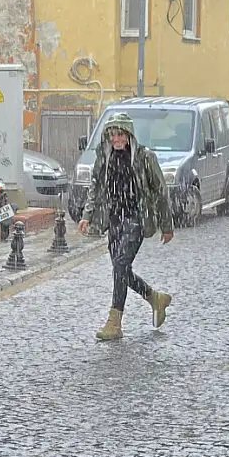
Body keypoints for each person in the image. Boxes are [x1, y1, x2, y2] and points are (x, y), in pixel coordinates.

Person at [77, 113, 174, 341]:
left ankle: (114, 322)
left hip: (137, 218)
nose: (116, 139)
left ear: (129, 135)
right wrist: (87, 215)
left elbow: (160, 191)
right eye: (112, 135)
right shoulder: (105, 155)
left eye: (120, 134)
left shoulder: (144, 157)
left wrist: (166, 225)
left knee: (120, 265)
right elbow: (96, 185)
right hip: (114, 220)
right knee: (122, 271)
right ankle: (154, 298)